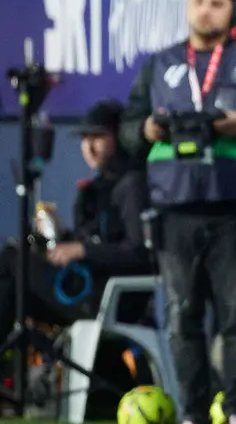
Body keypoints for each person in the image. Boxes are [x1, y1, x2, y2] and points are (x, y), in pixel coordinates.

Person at [119, 0, 236, 424]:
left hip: (234, 213)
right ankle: (193, 414)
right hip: (174, 212)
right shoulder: (160, 65)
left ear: (235, 11)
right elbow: (127, 133)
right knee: (182, 320)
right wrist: (146, 130)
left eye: (217, 3)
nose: (205, 10)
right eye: (198, 1)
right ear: (186, 6)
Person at [0, 99, 151, 341]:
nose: (88, 147)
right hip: (83, 287)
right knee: (11, 280)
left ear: (119, 137)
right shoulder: (92, 190)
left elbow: (139, 253)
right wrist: (62, 237)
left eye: (97, 138)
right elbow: (92, 243)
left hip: (109, 299)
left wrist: (81, 249)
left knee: (11, 262)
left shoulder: (132, 186)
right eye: (84, 139)